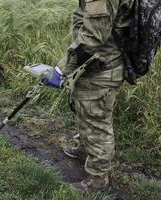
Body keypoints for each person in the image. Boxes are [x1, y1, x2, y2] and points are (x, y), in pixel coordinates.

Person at [43, 0, 135, 192]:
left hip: (102, 68)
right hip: (93, 64)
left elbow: (92, 37)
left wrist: (61, 68)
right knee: (85, 111)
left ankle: (99, 179)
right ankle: (86, 150)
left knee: (97, 122)